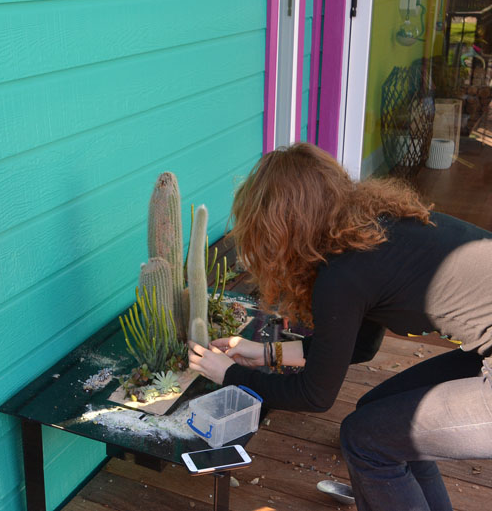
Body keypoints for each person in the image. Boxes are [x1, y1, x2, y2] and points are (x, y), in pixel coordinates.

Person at [187, 142, 492, 511]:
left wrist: (231, 374)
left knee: (366, 440)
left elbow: (314, 396)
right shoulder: (370, 232)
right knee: (378, 412)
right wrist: (266, 352)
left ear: (284, 227)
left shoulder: (343, 273)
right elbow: (362, 347)